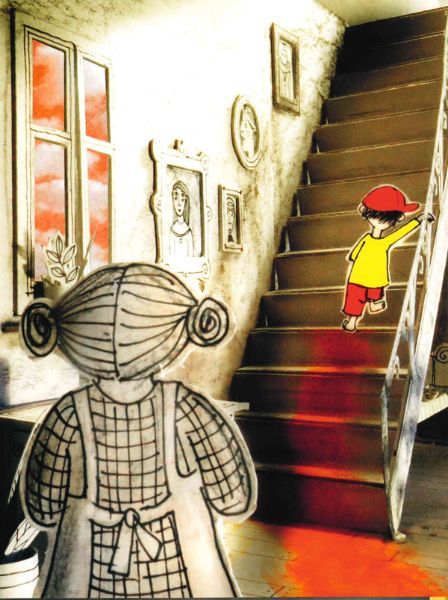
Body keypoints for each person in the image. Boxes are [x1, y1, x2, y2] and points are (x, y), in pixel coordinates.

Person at [19, 263, 257, 598]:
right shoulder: (185, 407)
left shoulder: (69, 414)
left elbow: (44, 507)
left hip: (93, 564)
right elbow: (233, 496)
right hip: (174, 562)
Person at [341, 184, 434, 333]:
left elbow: (353, 256)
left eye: (386, 219)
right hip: (363, 278)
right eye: (375, 216)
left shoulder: (384, 241)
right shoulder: (369, 239)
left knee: (366, 296)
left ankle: (370, 307)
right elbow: (353, 255)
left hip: (366, 277)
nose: (380, 222)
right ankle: (355, 319)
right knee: (357, 300)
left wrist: (419, 220)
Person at [169, 180, 194, 258]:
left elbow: (191, 258)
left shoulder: (188, 232)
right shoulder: (172, 230)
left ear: (186, 202)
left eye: (182, 199)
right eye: (176, 198)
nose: (179, 203)